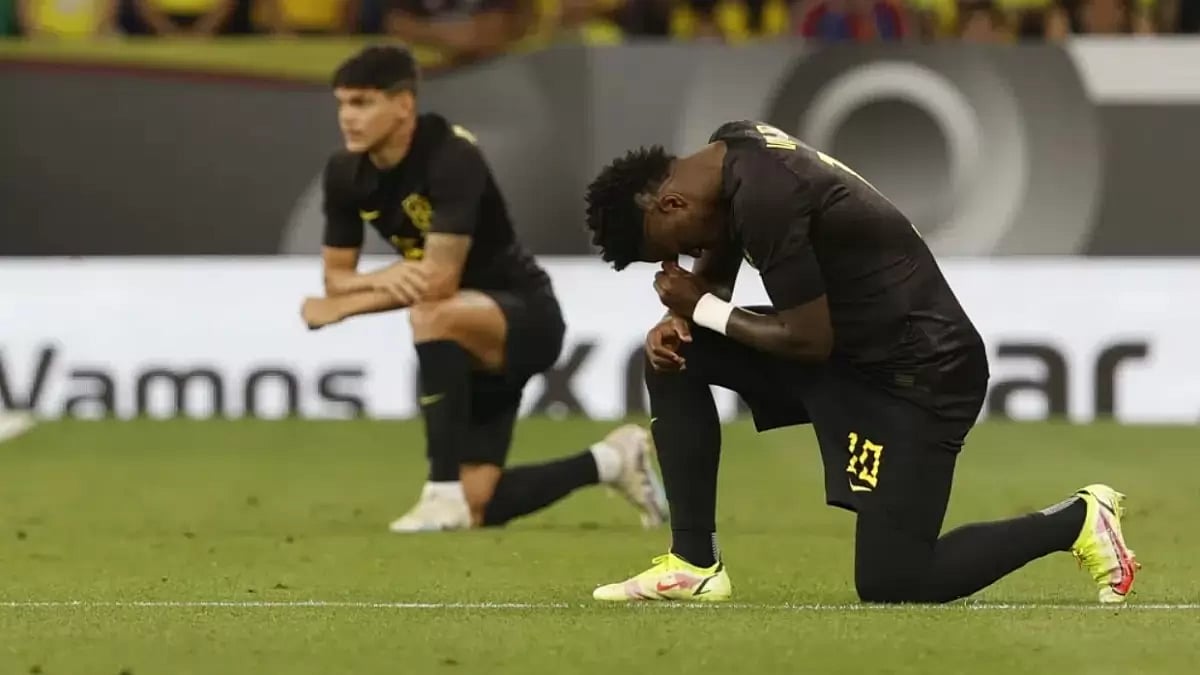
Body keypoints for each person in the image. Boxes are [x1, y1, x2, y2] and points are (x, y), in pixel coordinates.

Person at [581, 120, 1139, 603]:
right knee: (676, 354)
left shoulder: (768, 196)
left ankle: (1079, 519)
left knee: (895, 580)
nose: (683, 260)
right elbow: (724, 244)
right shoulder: (733, 152)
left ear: (672, 203)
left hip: (921, 374)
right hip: (855, 351)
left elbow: (807, 339)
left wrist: (698, 303)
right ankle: (694, 564)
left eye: (672, 247)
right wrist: (684, 318)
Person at [301, 45, 667, 533]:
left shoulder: (451, 155)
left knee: (432, 313)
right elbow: (337, 277)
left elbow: (437, 282)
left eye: (363, 103)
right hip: (460, 347)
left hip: (523, 315)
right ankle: (612, 460)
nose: (348, 117)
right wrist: (374, 281)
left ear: (404, 104)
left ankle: (439, 490)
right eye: (343, 103)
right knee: (480, 506)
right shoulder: (344, 173)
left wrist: (344, 308)